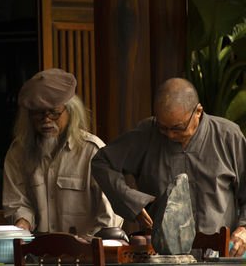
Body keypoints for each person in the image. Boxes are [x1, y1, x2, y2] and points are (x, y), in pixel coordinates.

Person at [91, 77, 246, 256]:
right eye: (163, 128)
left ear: (198, 111)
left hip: (217, 254)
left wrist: (244, 228)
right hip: (162, 256)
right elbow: (102, 163)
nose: (170, 135)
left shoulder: (227, 135)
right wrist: (131, 201)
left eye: (177, 128)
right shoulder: (147, 133)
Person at [3, 68, 123, 240]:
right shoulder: (18, 153)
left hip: (87, 255)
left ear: (71, 110)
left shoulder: (92, 151)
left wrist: (85, 245)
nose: (46, 120)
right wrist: (22, 223)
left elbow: (110, 215)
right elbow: (17, 203)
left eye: (54, 113)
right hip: (37, 255)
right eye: (38, 114)